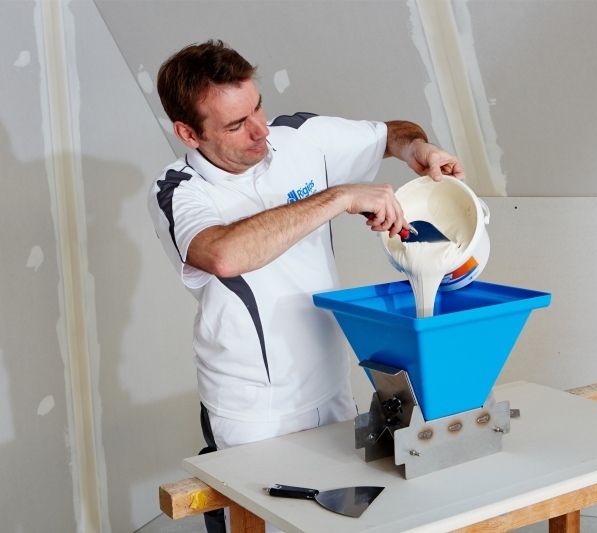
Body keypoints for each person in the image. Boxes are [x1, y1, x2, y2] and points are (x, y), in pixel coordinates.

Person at [147, 40, 464, 532]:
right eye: (235, 124)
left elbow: (392, 133)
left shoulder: (299, 137)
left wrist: (416, 149)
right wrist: (338, 197)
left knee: (341, 521)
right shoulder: (177, 189)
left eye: (257, 108)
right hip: (251, 408)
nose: (260, 131)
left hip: (330, 384)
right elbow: (223, 255)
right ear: (189, 133)